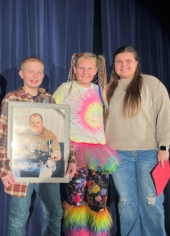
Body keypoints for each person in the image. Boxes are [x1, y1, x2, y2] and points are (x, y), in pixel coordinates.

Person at [0, 57, 77, 236]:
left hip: (47, 169)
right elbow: (2, 135)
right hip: (20, 167)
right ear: (21, 74)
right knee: (19, 216)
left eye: (39, 72)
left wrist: (70, 158)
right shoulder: (12, 98)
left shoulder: (49, 99)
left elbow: (60, 133)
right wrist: (3, 167)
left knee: (54, 213)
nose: (35, 75)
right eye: (30, 71)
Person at [105, 46, 170, 236]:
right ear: (114, 65)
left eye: (128, 61)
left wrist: (164, 146)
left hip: (149, 153)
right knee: (126, 203)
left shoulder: (152, 84)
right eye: (119, 61)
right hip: (118, 155)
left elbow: (166, 116)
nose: (123, 65)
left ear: (136, 63)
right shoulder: (107, 89)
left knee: (151, 201)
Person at [53, 52, 120, 236]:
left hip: (99, 153)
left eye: (90, 68)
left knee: (98, 200)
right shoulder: (66, 89)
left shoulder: (101, 90)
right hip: (76, 152)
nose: (85, 71)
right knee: (76, 199)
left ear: (96, 71)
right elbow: (52, 114)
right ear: (74, 69)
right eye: (81, 67)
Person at [13, 113, 61, 178]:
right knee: (13, 163)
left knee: (49, 163)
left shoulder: (49, 134)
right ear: (29, 124)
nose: (35, 125)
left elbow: (58, 154)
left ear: (42, 123)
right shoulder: (23, 134)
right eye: (33, 122)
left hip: (43, 164)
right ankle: (18, 184)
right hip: (27, 162)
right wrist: (27, 153)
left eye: (38, 122)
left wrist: (50, 156)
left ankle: (42, 186)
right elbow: (16, 151)